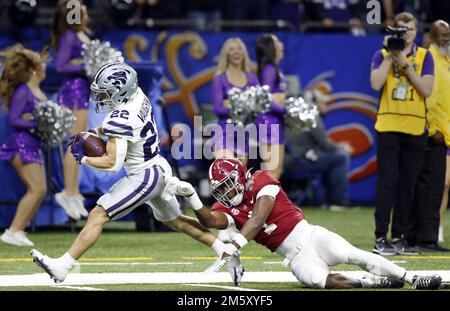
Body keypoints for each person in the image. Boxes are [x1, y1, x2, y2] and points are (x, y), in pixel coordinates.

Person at [30, 62, 243, 285]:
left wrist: (82, 159)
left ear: (121, 91)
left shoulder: (119, 119)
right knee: (176, 221)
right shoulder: (138, 95)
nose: (101, 98)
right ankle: (224, 250)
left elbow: (112, 163)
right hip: (158, 166)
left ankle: (63, 266)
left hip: (144, 177)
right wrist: (97, 131)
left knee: (98, 214)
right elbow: (127, 126)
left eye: (105, 93)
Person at [163, 158, 442, 290]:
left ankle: (413, 278)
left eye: (226, 186)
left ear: (239, 178)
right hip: (293, 256)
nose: (224, 193)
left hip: (310, 236)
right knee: (319, 281)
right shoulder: (227, 205)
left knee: (354, 254)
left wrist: (235, 244)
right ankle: (370, 282)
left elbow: (259, 218)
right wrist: (193, 200)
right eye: (219, 189)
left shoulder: (261, 179)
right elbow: (212, 221)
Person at [370, 12, 434, 255]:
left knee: (407, 185)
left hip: (416, 127)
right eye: (400, 30)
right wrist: (390, 55)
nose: (405, 33)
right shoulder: (381, 54)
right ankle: (380, 237)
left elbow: (426, 89)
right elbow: (375, 84)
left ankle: (399, 237)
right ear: (392, 32)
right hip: (388, 126)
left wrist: (404, 62)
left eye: (409, 29)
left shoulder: (424, 56)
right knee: (386, 183)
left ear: (416, 31)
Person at [0, 44, 49, 246]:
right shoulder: (23, 91)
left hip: (33, 145)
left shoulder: (35, 90)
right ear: (33, 70)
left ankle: (18, 229)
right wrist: (37, 123)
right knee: (36, 189)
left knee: (40, 189)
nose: (45, 67)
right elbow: (14, 119)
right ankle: (12, 231)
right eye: (41, 65)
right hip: (21, 145)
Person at [407, 20, 450, 252]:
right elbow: (430, 99)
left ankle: (419, 235)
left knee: (429, 185)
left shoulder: (444, 60)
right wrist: (432, 130)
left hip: (441, 132)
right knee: (431, 187)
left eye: (448, 34)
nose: (445, 38)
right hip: (432, 133)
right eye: (440, 34)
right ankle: (426, 238)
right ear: (431, 36)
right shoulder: (431, 57)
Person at [51, 0, 91, 220]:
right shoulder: (69, 36)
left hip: (82, 89)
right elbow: (61, 65)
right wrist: (86, 66)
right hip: (73, 90)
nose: (84, 10)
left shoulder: (80, 34)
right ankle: (68, 192)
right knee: (74, 143)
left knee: (79, 143)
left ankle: (74, 192)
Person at [212, 37, 259, 163]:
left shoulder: (252, 78)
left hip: (243, 134)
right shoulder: (219, 78)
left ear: (244, 53)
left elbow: (258, 107)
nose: (236, 52)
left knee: (240, 179)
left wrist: (231, 104)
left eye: (239, 49)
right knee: (225, 177)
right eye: (231, 49)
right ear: (226, 54)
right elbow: (218, 109)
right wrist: (243, 105)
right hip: (224, 134)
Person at [255, 34, 286, 180]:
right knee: (272, 171)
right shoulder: (270, 69)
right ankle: (265, 202)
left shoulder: (272, 68)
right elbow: (265, 98)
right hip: (270, 122)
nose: (281, 44)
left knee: (275, 171)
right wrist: (286, 110)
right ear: (270, 48)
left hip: (274, 121)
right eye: (276, 42)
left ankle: (270, 202)